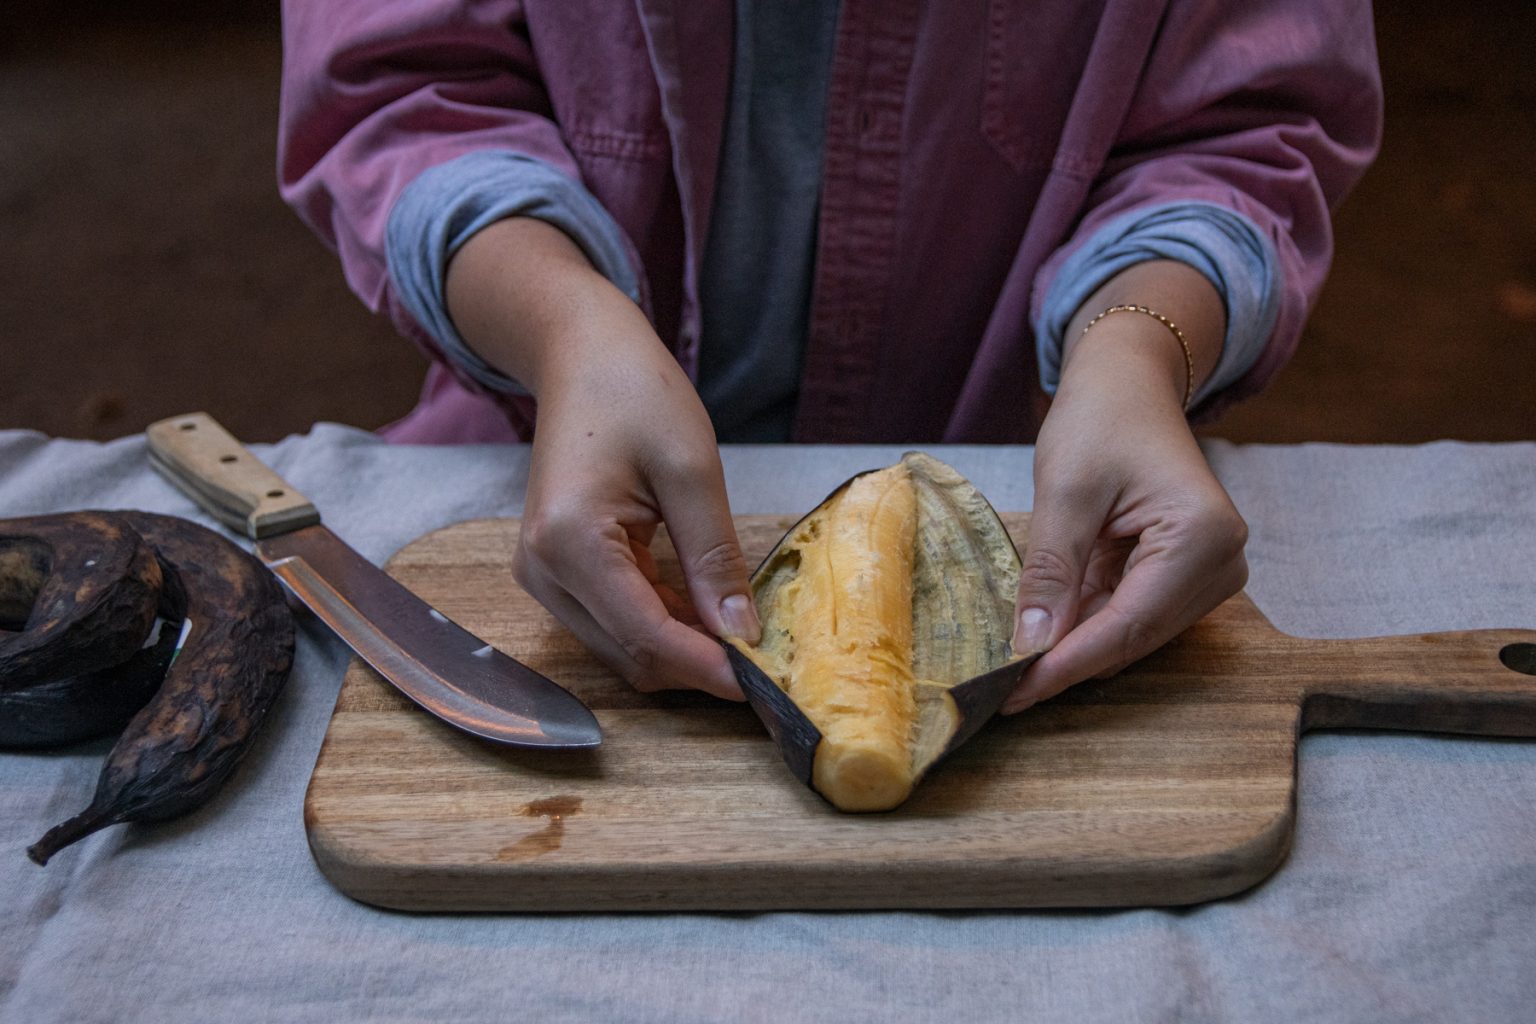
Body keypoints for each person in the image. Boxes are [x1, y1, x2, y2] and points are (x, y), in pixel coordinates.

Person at [277, 1, 1382, 711]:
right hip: (529, 461)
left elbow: (1242, 133)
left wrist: (1135, 350)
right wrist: (567, 325)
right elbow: (402, 96)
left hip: (1035, 475)